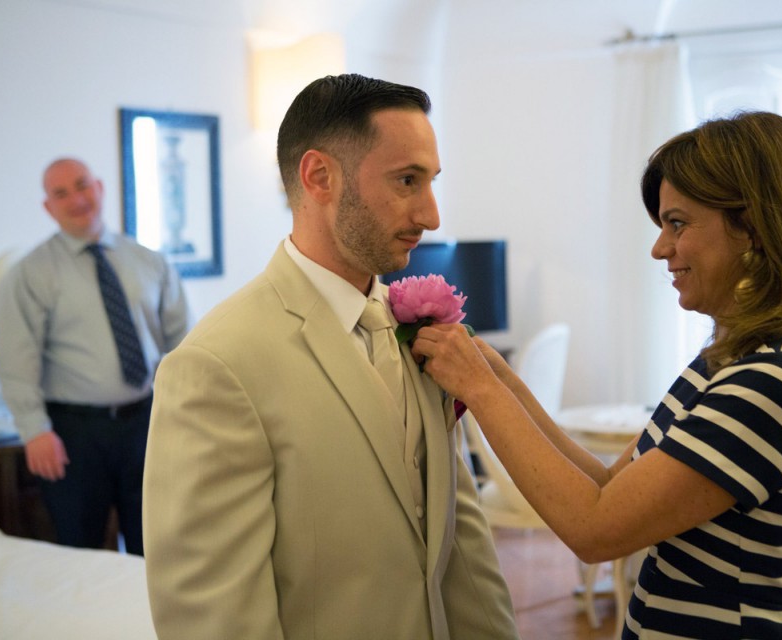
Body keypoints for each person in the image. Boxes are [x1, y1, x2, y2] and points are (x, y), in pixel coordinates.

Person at [412, 111, 782, 639]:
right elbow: (609, 487)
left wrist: (480, 389)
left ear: (752, 227)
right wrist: (501, 377)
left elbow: (596, 530)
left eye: (678, 223)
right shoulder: (734, 357)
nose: (660, 248)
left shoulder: (777, 379)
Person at [142, 74, 518, 640]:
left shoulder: (420, 330)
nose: (431, 215)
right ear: (319, 176)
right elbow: (214, 616)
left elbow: (459, 534)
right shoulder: (216, 366)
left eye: (431, 181)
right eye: (407, 180)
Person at [0, 158, 190, 555]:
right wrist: (34, 430)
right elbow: (16, 357)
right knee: (81, 552)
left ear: (99, 188)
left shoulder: (149, 261)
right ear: (48, 207)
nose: (76, 199)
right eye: (60, 193)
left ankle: (146, 620)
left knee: (157, 546)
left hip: (148, 422)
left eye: (82, 185)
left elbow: (183, 344)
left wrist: (188, 412)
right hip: (74, 434)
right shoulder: (30, 273)